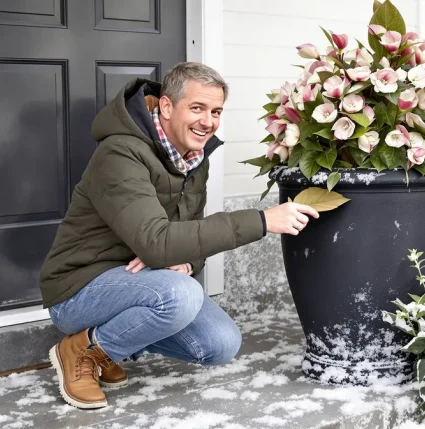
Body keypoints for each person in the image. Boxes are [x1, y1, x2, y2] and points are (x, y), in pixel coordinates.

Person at [38, 62, 319, 409]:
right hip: (77, 288)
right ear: (167, 106)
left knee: (220, 343)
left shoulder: (193, 157)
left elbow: (187, 234)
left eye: (216, 111)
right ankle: (81, 350)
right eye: (197, 108)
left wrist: (185, 260)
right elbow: (158, 243)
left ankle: (110, 346)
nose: (208, 121)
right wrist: (261, 220)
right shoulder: (120, 153)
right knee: (180, 296)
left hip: (139, 281)